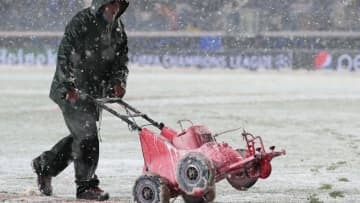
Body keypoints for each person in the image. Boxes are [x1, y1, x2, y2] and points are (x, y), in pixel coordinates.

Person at [31, 0, 129, 201]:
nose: (115, 9)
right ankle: (86, 187)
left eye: (119, 5)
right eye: (112, 5)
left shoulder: (118, 29)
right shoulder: (82, 21)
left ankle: (45, 166)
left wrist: (118, 82)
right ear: (102, 4)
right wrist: (68, 84)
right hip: (72, 90)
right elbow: (65, 55)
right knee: (87, 134)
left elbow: (120, 61)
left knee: (81, 137)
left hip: (93, 92)